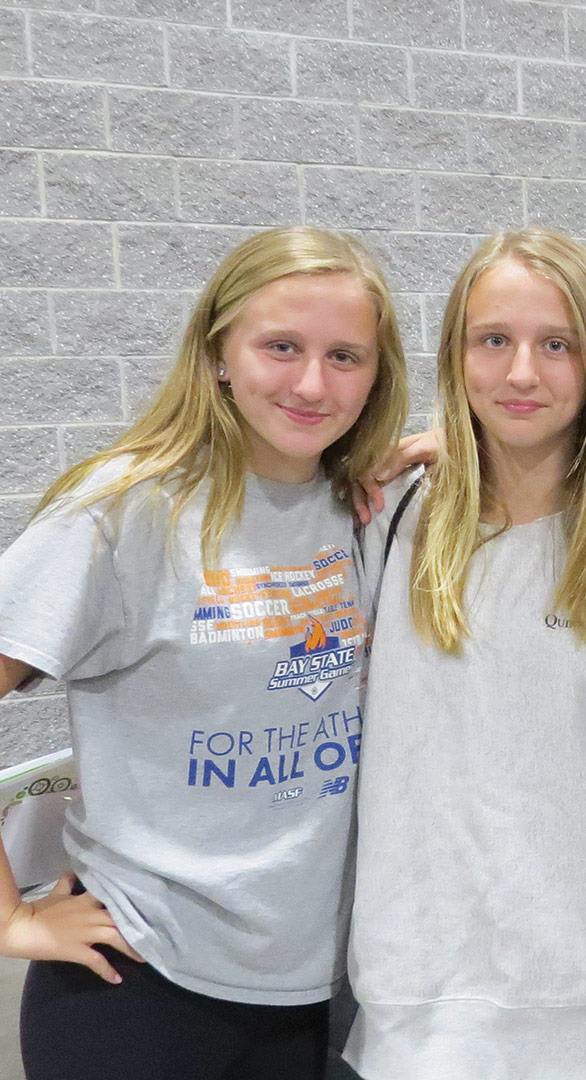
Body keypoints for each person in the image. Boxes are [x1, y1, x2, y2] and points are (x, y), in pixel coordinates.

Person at [0, 226, 408, 1079]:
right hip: (141, 988)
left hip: (317, 991)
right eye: (281, 348)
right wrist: (12, 921)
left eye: (344, 357)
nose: (311, 383)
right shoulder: (125, 511)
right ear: (219, 352)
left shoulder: (364, 506)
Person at [343, 229, 586, 1080]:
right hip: (417, 1014)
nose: (521, 374)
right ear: (456, 355)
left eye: (557, 345)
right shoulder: (389, 515)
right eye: (493, 340)